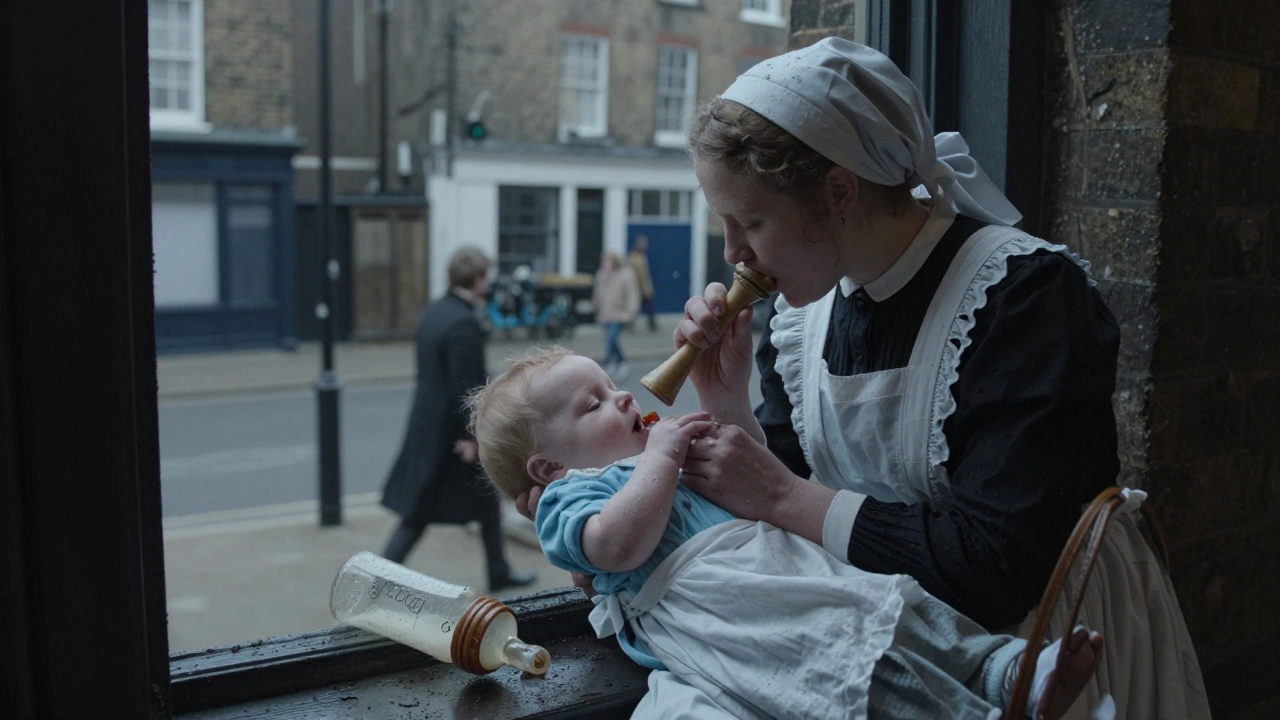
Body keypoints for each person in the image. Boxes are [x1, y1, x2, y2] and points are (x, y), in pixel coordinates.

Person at [523, 38, 1208, 720]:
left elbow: (999, 569)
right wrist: (723, 399)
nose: (732, 253)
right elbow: (767, 517)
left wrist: (787, 497)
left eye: (750, 221)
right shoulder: (801, 318)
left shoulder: (1028, 298)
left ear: (839, 193)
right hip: (875, 651)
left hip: (1045, 649)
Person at [469, 347, 1106, 720]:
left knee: (890, 604)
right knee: (848, 662)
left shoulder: (648, 465)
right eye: (594, 404)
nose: (625, 401)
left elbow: (744, 489)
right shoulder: (570, 496)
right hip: (734, 610)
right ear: (547, 469)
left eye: (612, 387)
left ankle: (1002, 667)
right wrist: (661, 460)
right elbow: (615, 547)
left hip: (779, 564)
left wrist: (708, 434)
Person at [380, 246, 536, 593]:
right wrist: (471, 438)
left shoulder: (434, 311)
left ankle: (498, 570)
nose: (488, 282)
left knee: (486, 502)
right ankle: (377, 578)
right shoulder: (463, 322)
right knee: (418, 514)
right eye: (486, 276)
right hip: (450, 435)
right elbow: (466, 387)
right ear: (476, 279)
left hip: (427, 423)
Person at [592, 250, 639, 379]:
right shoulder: (601, 275)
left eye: (608, 261)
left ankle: (612, 361)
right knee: (611, 340)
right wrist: (596, 306)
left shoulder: (626, 274)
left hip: (620, 314)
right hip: (606, 314)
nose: (605, 264)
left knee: (610, 338)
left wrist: (631, 311)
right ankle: (618, 362)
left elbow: (632, 294)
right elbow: (598, 293)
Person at [628, 234, 657, 331]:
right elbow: (640, 276)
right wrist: (646, 288)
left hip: (641, 287)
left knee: (646, 307)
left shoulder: (641, 256)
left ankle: (652, 324)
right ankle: (630, 324)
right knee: (637, 306)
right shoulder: (634, 257)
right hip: (637, 287)